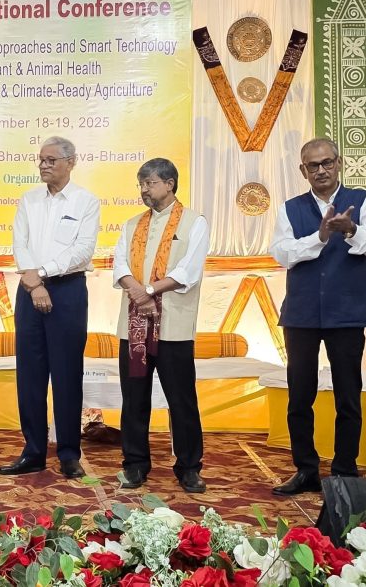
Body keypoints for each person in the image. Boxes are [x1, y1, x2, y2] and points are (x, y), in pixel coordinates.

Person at [269, 137, 366, 495]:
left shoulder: (365, 201)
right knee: (299, 396)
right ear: (303, 171)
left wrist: (349, 230)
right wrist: (318, 237)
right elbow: (281, 254)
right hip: (301, 314)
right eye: (313, 165)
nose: (321, 170)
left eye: (327, 163)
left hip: (347, 313)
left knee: (348, 395)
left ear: (339, 163)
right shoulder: (291, 208)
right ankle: (305, 469)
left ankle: (345, 470)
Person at [0, 136, 100, 479]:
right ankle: (33, 451)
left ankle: (69, 453)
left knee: (68, 375)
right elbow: (19, 243)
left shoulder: (86, 201)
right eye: (40, 159)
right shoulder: (28, 200)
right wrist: (34, 282)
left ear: (71, 163)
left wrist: (41, 275)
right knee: (30, 376)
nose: (43, 165)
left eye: (51, 160)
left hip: (67, 290)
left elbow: (82, 251)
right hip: (30, 290)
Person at [112, 158, 210, 493]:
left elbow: (189, 271)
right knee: (134, 397)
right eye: (141, 184)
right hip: (135, 326)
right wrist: (138, 293)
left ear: (170, 183)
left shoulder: (195, 222)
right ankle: (135, 464)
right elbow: (119, 265)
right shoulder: (131, 225)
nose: (144, 190)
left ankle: (189, 467)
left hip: (174, 328)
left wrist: (149, 290)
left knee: (181, 400)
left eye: (150, 183)